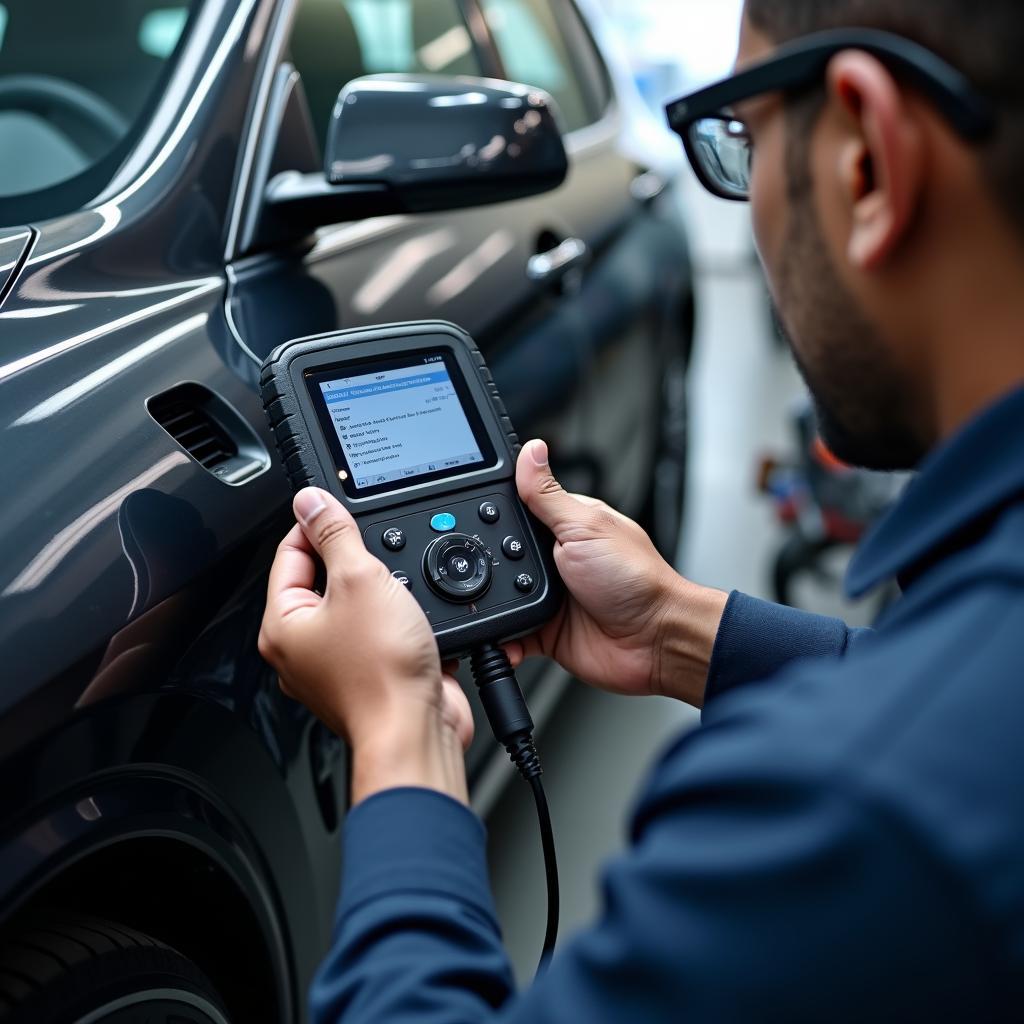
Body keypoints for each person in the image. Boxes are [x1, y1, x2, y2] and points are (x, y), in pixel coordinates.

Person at [257, 1, 1024, 1019]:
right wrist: (676, 629)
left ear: (866, 161)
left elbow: (915, 754)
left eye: (742, 143)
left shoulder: (842, 811)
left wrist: (400, 736)